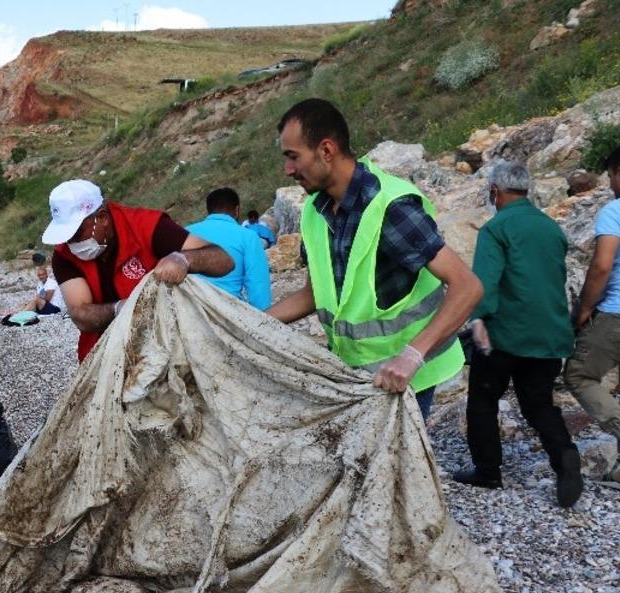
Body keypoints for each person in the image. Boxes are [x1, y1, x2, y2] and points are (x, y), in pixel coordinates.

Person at [266, 98, 482, 420]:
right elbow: (314, 294)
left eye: (293, 156)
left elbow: (467, 286)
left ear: (326, 150)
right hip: (357, 377)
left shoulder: (391, 207)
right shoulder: (314, 211)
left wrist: (412, 356)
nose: (288, 169)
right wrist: (250, 322)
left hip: (406, 379)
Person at [453, 160, 582, 507]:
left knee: (483, 401)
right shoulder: (552, 229)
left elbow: (485, 280)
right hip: (550, 334)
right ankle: (565, 456)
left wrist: (478, 319)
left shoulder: (496, 229)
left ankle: (488, 471)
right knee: (538, 404)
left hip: (505, 333)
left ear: (494, 190)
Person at [42, 179, 235, 361]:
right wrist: (120, 309)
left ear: (102, 218)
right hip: (104, 351)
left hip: (167, 342)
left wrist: (185, 259)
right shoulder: (64, 255)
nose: (72, 243)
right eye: (66, 237)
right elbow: (80, 313)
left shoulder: (147, 226)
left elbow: (224, 260)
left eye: (77, 234)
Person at [565, 146, 620, 483]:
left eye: (611, 176)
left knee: (579, 375)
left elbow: (601, 266)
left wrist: (584, 308)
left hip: (615, 314)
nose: (611, 184)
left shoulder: (614, 211)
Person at [186, 187, 272, 310]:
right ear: (236, 210)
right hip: (228, 312)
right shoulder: (248, 236)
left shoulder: (185, 232)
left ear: (209, 210)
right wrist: (263, 317)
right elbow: (258, 286)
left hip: (188, 310)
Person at [0, 265, 65, 319]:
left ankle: (18, 314)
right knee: (26, 303)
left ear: (46, 274)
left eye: (43, 274)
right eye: (39, 275)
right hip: (44, 307)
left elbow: (47, 299)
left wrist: (38, 297)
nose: (41, 277)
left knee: (35, 300)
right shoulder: (40, 284)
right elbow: (39, 296)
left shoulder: (51, 283)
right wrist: (33, 300)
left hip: (54, 308)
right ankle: (12, 312)